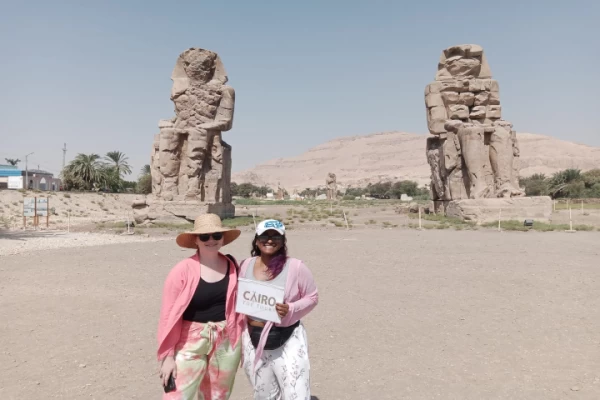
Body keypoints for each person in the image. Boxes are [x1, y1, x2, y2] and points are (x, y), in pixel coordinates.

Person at [157, 213, 245, 399]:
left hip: (226, 340)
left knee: (218, 396)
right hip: (189, 341)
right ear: (196, 240)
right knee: (176, 395)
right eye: (204, 236)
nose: (211, 240)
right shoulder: (182, 270)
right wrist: (168, 356)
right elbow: (168, 315)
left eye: (216, 235)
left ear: (223, 239)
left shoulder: (232, 266)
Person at [238, 219, 319, 400]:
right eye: (264, 236)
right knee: (264, 394)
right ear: (256, 240)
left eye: (276, 236)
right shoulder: (245, 265)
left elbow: (312, 297)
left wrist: (291, 308)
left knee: (296, 392)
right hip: (253, 337)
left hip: (287, 336)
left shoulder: (296, 267)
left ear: (283, 241)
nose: (269, 240)